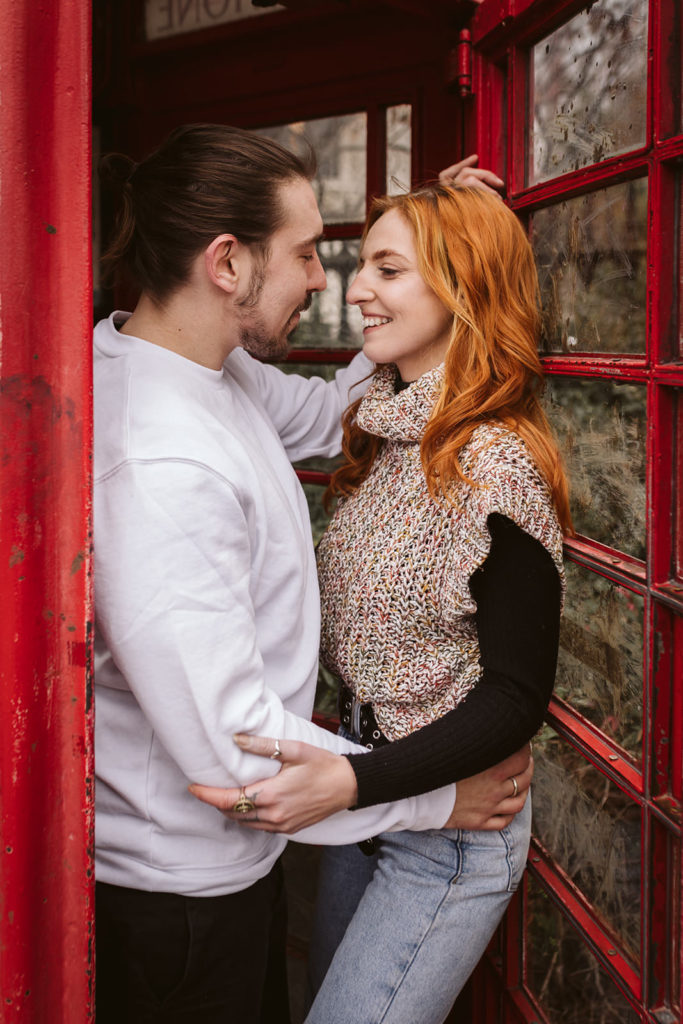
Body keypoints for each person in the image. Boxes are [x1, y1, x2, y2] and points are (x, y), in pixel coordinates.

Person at [93, 124, 530, 1024]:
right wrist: (434, 799)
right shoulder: (159, 464)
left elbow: (341, 418)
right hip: (179, 898)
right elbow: (233, 752)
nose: (327, 282)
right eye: (307, 254)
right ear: (227, 263)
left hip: (234, 864)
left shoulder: (212, 375)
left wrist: (434, 248)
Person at [191, 183, 572, 1024]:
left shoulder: (496, 468)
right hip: (364, 786)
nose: (353, 288)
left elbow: (516, 695)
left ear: (462, 288)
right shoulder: (382, 427)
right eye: (359, 262)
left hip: (445, 831)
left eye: (386, 269)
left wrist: (354, 783)